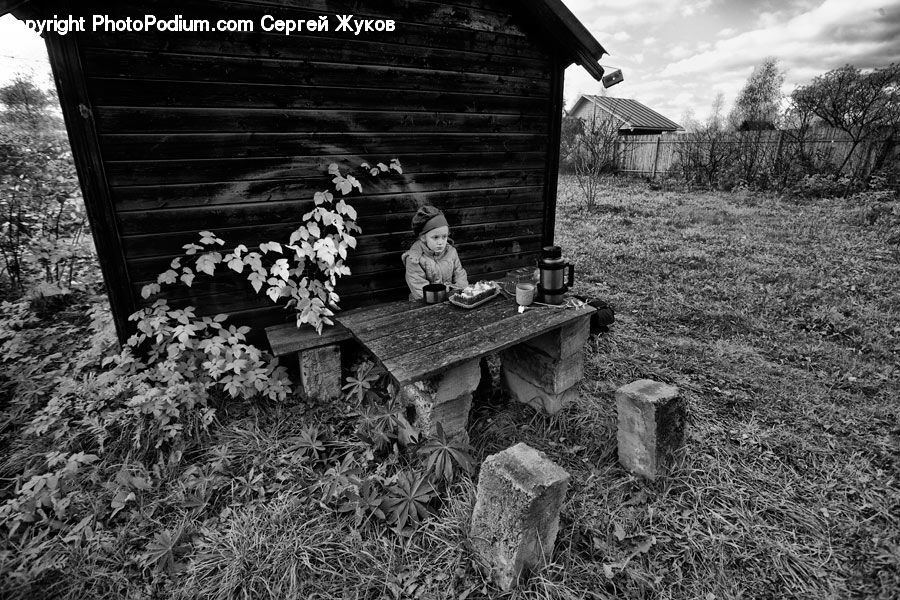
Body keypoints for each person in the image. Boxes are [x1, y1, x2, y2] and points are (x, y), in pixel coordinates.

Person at [402, 205, 468, 300]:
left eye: (444, 236)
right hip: (425, 303)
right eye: (435, 237)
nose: (441, 242)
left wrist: (459, 291)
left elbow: (460, 274)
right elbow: (420, 289)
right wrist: (448, 296)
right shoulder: (414, 259)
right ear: (423, 237)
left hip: (451, 299)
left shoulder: (451, 251)